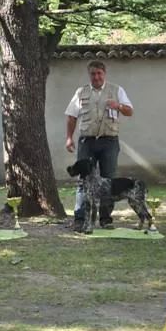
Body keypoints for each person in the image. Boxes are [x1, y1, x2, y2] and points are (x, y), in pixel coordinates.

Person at [65, 60, 134, 231]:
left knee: (108, 179)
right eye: (93, 74)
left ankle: (105, 219)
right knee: (83, 181)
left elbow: (130, 111)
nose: (96, 77)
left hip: (109, 141)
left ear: (104, 73)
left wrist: (118, 105)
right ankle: (80, 219)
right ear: (89, 75)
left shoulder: (117, 90)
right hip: (86, 141)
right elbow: (71, 116)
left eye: (99, 73)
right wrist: (69, 138)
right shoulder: (81, 92)